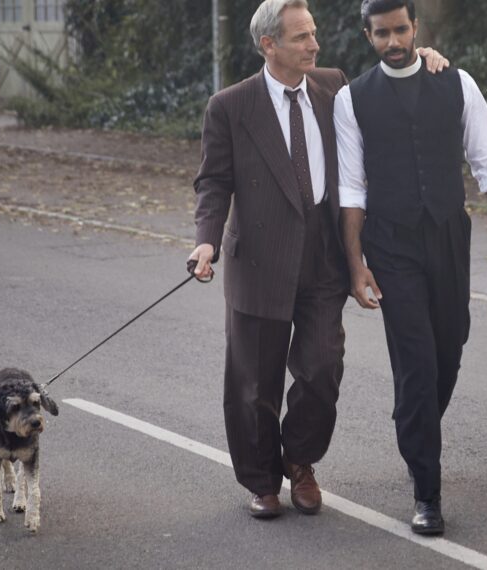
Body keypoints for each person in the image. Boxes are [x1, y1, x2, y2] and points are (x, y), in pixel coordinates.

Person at [188, 0, 448, 520]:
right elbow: (214, 182)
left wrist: (422, 58)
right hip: (258, 260)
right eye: (302, 37)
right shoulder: (230, 106)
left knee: (322, 369)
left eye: (314, 34)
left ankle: (300, 460)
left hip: (323, 256)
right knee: (253, 384)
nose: (315, 45)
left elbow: (387, 86)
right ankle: (262, 482)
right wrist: (205, 241)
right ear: (270, 46)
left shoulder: (334, 85)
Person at [334, 0, 487, 535]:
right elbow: (351, 187)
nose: (393, 42)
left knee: (450, 345)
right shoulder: (352, 100)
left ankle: (413, 424)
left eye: (401, 30)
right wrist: (356, 264)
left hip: (447, 233)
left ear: (415, 28)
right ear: (367, 35)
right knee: (418, 363)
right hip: (390, 242)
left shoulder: (457, 83)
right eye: (382, 34)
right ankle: (427, 493)